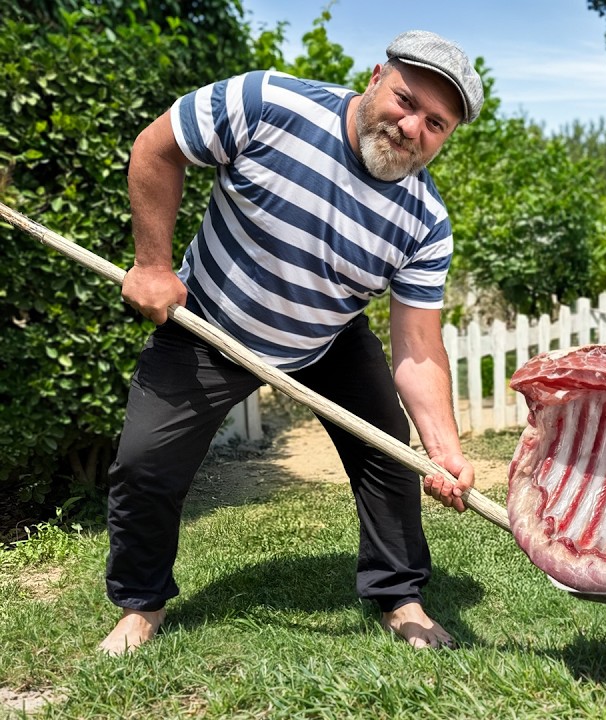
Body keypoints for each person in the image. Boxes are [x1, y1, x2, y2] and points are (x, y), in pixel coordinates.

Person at [99, 30, 483, 655]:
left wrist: (444, 452)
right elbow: (155, 148)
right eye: (406, 101)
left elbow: (416, 348)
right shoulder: (268, 102)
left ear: (448, 137)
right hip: (210, 321)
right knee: (144, 465)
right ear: (375, 76)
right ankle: (141, 605)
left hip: (327, 336)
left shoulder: (426, 222)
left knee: (390, 454)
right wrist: (151, 265)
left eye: (436, 124)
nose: (412, 128)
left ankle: (399, 595)